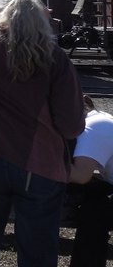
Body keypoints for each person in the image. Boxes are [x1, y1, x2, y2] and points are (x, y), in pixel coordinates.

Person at [0, 0, 85, 267]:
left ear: (0, 14)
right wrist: (29, 2)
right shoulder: (57, 60)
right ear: (42, 18)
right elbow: (71, 126)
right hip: (38, 165)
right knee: (37, 250)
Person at [66, 95, 113, 267]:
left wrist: (45, 164)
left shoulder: (91, 128)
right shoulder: (102, 118)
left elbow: (80, 175)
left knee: (95, 211)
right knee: (95, 205)